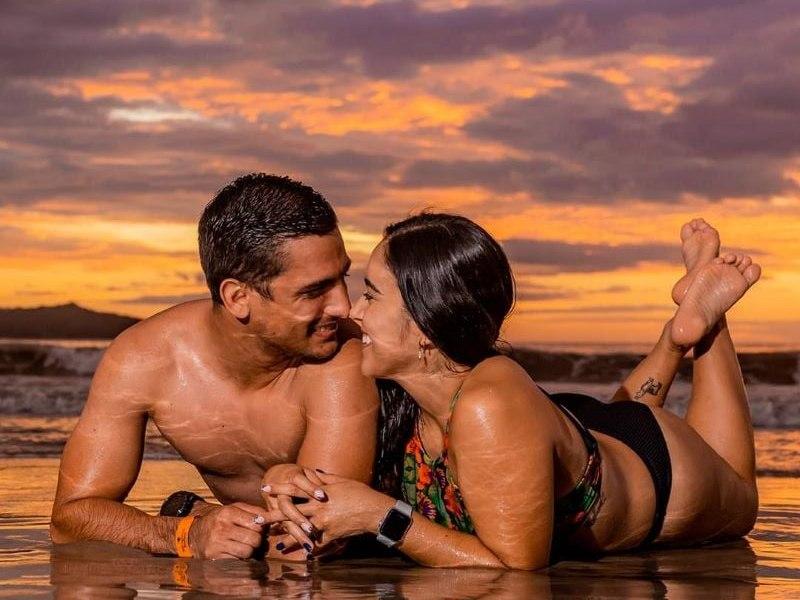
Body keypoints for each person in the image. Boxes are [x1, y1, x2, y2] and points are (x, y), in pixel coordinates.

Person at [265, 213, 761, 569]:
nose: (354, 311)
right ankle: (674, 338)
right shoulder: (407, 391)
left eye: (371, 295)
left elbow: (513, 568)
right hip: (578, 427)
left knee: (741, 494)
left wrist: (379, 515)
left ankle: (704, 319)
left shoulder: (488, 408)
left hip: (661, 468)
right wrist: (296, 481)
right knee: (615, 412)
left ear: (423, 324)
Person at [50, 174, 379, 560]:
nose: (344, 307)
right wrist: (183, 533)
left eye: (343, 277)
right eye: (313, 291)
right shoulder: (143, 359)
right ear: (238, 297)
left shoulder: (340, 355)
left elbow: (311, 543)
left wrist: (204, 520)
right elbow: (69, 520)